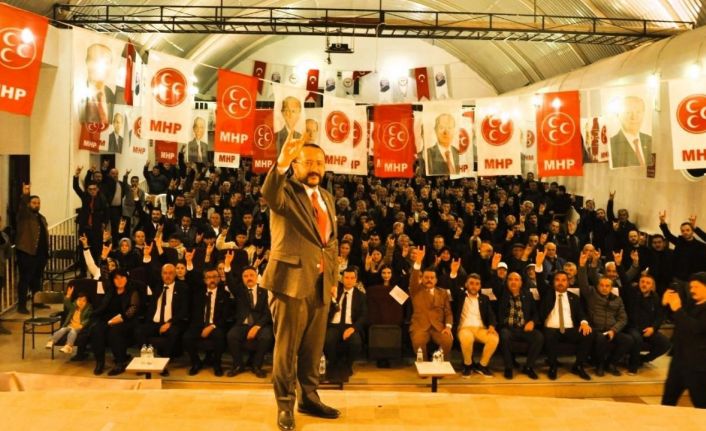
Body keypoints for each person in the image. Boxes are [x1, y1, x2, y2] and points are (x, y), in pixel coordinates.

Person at [261, 135, 340, 431]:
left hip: (320, 284)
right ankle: (285, 405)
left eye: (319, 163)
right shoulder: (285, 192)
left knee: (312, 348)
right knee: (287, 350)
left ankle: (309, 397)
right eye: (308, 162)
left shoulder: (327, 197)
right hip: (289, 282)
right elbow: (269, 192)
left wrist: (332, 279)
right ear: (295, 165)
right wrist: (281, 162)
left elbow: (329, 243)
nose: (315, 168)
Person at [535, 252, 593, 381]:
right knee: (550, 335)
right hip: (551, 328)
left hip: (569, 329)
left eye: (563, 280)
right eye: (557, 280)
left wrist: (584, 323)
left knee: (588, 334)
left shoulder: (574, 297)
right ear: (553, 282)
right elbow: (540, 282)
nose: (560, 283)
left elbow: (581, 314)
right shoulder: (547, 293)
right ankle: (553, 366)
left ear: (568, 282)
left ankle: (578, 366)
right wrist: (538, 265)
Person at [577, 251, 633, 377]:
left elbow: (623, 318)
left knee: (628, 340)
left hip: (611, 329)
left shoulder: (617, 299)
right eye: (601, 285)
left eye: (607, 286)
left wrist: (614, 330)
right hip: (596, 329)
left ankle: (611, 363)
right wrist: (582, 266)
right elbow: (583, 283)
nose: (604, 288)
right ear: (598, 286)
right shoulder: (591, 294)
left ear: (611, 287)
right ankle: (600, 365)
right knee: (601, 339)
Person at [136, 261, 189, 377]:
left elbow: (184, 310)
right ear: (161, 274)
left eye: (170, 273)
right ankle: (145, 362)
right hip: (154, 323)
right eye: (165, 273)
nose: (167, 276)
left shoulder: (182, 288)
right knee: (140, 331)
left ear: (175, 274)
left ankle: (163, 364)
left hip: (172, 323)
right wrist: (146, 257)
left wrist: (169, 323)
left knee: (173, 333)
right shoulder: (157, 285)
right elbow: (148, 273)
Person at [662, 272, 706, 408]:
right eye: (691, 287)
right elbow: (678, 319)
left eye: (696, 287)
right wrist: (665, 303)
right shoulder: (691, 304)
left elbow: (695, 328)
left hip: (698, 367)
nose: (692, 290)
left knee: (701, 405)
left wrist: (677, 309)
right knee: (667, 403)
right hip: (678, 362)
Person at [226, 265, 274, 379]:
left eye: (251, 275)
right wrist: (227, 266)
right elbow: (230, 282)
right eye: (245, 276)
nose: (249, 278)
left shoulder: (265, 291)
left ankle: (256, 366)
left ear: (257, 277)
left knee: (266, 337)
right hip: (243, 324)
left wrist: (257, 326)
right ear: (242, 279)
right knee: (231, 336)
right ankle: (238, 365)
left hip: (261, 324)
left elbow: (268, 312)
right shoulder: (239, 291)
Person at [183, 265, 231, 377]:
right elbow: (193, 312)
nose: (212, 280)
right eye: (209, 277)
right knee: (186, 337)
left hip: (216, 325)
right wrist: (199, 326)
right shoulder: (197, 294)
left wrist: (212, 326)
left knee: (220, 336)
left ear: (219, 279)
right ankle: (196, 363)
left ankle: (217, 364)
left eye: (214, 277)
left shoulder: (225, 294)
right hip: (199, 324)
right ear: (205, 280)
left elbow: (225, 316)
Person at [91, 268, 140, 376]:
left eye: (122, 277)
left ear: (126, 278)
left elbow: (133, 309)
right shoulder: (111, 291)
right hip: (108, 320)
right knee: (96, 330)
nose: (119, 280)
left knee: (114, 332)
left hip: (126, 321)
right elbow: (103, 307)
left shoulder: (133, 292)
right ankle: (100, 362)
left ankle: (120, 363)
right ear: (113, 280)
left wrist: (120, 319)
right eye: (116, 278)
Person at [408, 246, 454, 361]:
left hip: (438, 328)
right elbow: (413, 278)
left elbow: (448, 313)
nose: (429, 280)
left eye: (432, 278)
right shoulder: (415, 290)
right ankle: (423, 366)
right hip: (419, 326)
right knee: (418, 342)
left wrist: (448, 327)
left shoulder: (443, 293)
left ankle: (440, 363)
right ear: (422, 279)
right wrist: (418, 262)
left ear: (436, 280)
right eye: (426, 277)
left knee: (447, 340)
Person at [452, 270, 498, 377]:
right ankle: (468, 365)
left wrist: (492, 326)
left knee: (494, 338)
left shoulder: (484, 299)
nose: (474, 286)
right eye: (471, 283)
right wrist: (454, 272)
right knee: (467, 338)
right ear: (466, 284)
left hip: (480, 329)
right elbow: (453, 286)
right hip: (464, 328)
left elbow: (491, 315)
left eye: (477, 284)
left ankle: (482, 366)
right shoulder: (460, 296)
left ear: (480, 286)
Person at [324, 267, 368, 380]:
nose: (349, 280)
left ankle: (347, 365)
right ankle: (332, 364)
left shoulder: (361, 296)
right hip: (334, 324)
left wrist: (353, 328)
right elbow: (326, 310)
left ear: (356, 280)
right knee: (328, 340)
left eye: (352, 278)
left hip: (351, 325)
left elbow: (364, 316)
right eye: (347, 277)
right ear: (342, 279)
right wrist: (333, 302)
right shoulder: (335, 292)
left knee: (356, 343)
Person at [15, 183, 49, 314]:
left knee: (37, 279)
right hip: (27, 253)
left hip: (40, 254)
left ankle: (37, 302)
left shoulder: (41, 218)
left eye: (38, 203)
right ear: (29, 204)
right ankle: (21, 306)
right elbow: (22, 207)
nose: (37, 205)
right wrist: (25, 195)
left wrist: (46, 253)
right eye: (34, 203)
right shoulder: (24, 216)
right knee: (25, 280)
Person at [46, 286, 92, 355]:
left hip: (79, 326)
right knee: (63, 329)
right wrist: (68, 295)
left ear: (87, 302)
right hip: (70, 325)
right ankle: (52, 341)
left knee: (73, 331)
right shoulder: (74, 307)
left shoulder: (88, 309)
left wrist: (82, 324)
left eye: (83, 301)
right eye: (79, 300)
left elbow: (89, 318)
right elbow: (67, 303)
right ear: (76, 301)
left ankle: (69, 346)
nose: (81, 302)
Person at [609, 95, 652, 168]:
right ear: (618, 115)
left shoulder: (650, 140)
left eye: (638, 112)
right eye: (628, 112)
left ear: (643, 114)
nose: (634, 117)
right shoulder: (611, 146)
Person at [79, 43, 115, 125]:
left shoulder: (111, 95)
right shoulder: (79, 92)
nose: (100, 67)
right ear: (87, 62)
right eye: (94, 60)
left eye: (106, 63)